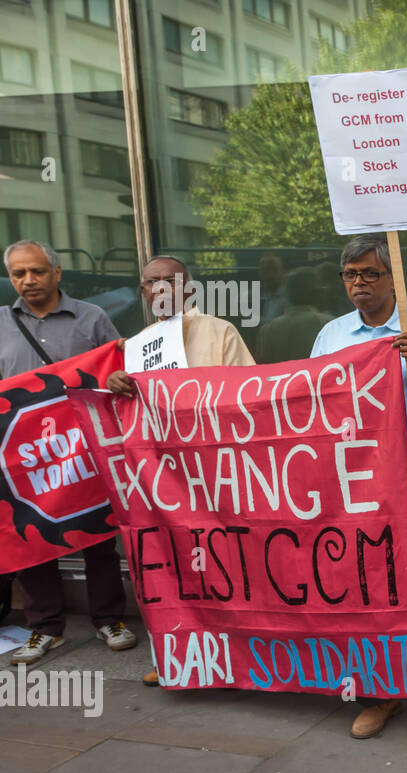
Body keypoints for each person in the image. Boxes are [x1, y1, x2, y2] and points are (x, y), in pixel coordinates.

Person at [311, 234, 407, 746]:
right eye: (350, 274)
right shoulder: (332, 336)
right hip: (355, 473)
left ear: (393, 277)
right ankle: (379, 693)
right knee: (369, 582)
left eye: (370, 274)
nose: (359, 283)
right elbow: (309, 404)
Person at [106, 254, 257, 685]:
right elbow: (130, 416)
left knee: (230, 561)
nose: (158, 289)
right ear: (143, 292)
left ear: (188, 288)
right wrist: (120, 385)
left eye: (168, 281)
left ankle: (241, 653)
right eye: (149, 283)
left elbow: (249, 394)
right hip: (168, 477)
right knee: (178, 567)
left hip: (216, 471)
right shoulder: (136, 347)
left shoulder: (219, 331)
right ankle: (178, 654)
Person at [2, 240, 136, 664]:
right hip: (25, 461)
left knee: (97, 535)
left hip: (83, 450)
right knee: (30, 540)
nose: (28, 281)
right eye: (18, 273)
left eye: (37, 271)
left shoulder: (92, 318)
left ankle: (109, 619)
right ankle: (45, 628)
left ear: (57, 273)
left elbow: (120, 370)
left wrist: (117, 379)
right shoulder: (0, 323)